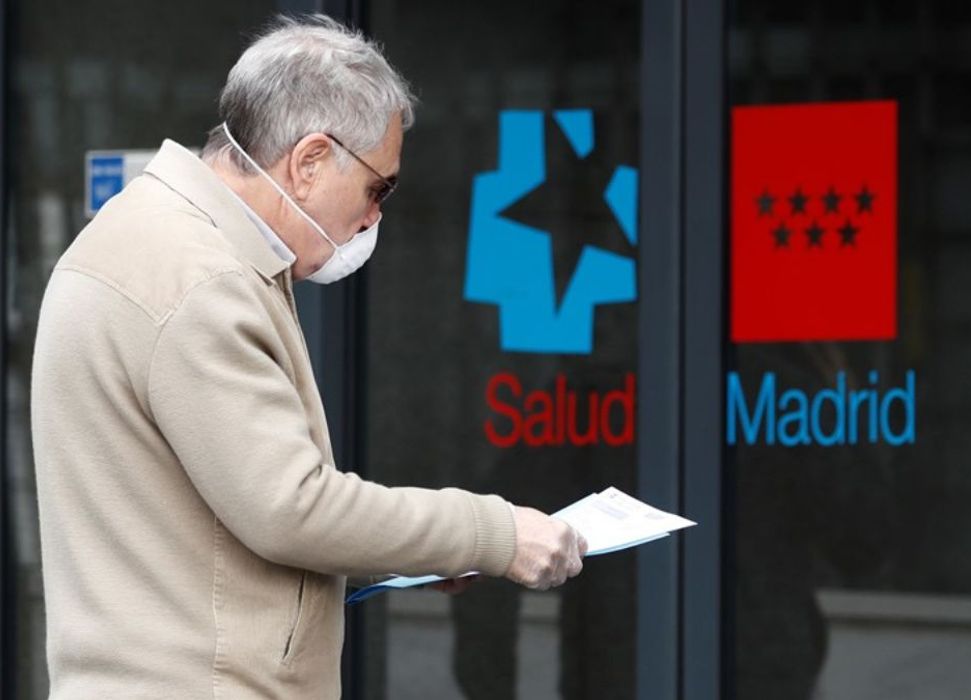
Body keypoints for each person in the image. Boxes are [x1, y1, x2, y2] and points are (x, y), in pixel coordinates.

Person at [30, 14, 585, 699]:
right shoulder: (201, 278)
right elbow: (290, 508)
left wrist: (412, 553)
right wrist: (493, 533)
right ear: (310, 160)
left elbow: (199, 527)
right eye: (379, 187)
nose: (375, 216)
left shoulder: (152, 237)